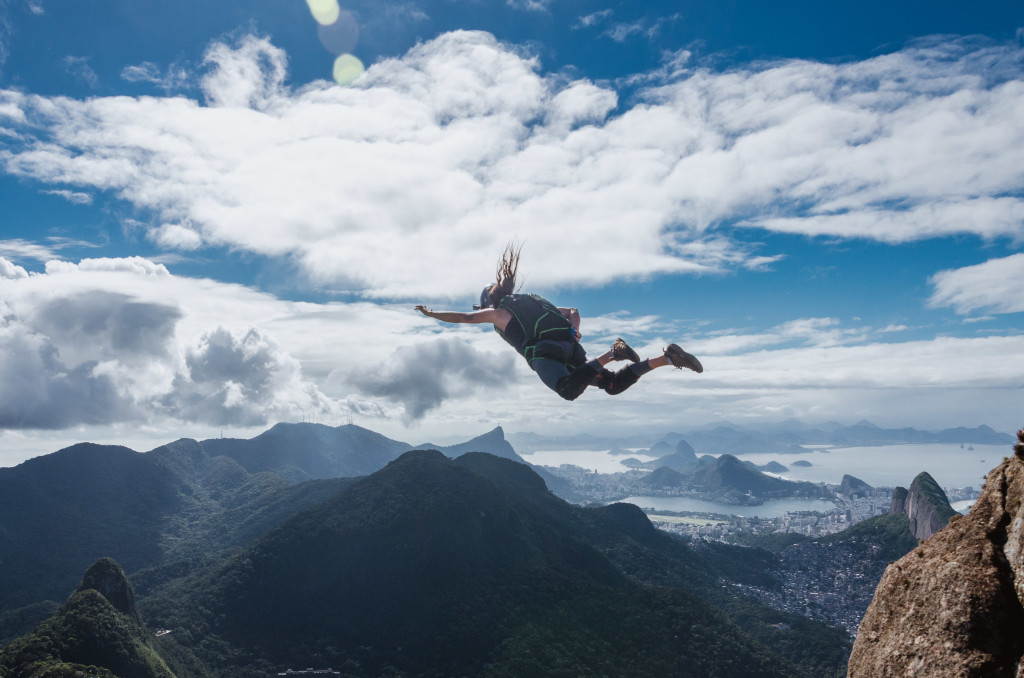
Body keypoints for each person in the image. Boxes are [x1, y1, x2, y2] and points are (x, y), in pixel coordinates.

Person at [415, 245, 703, 401]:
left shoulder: (499, 313)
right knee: (612, 385)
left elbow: (465, 318)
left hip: (545, 355)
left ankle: (612, 354)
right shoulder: (533, 301)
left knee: (567, 390)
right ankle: (666, 358)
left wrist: (433, 313)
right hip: (569, 348)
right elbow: (573, 310)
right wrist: (575, 332)